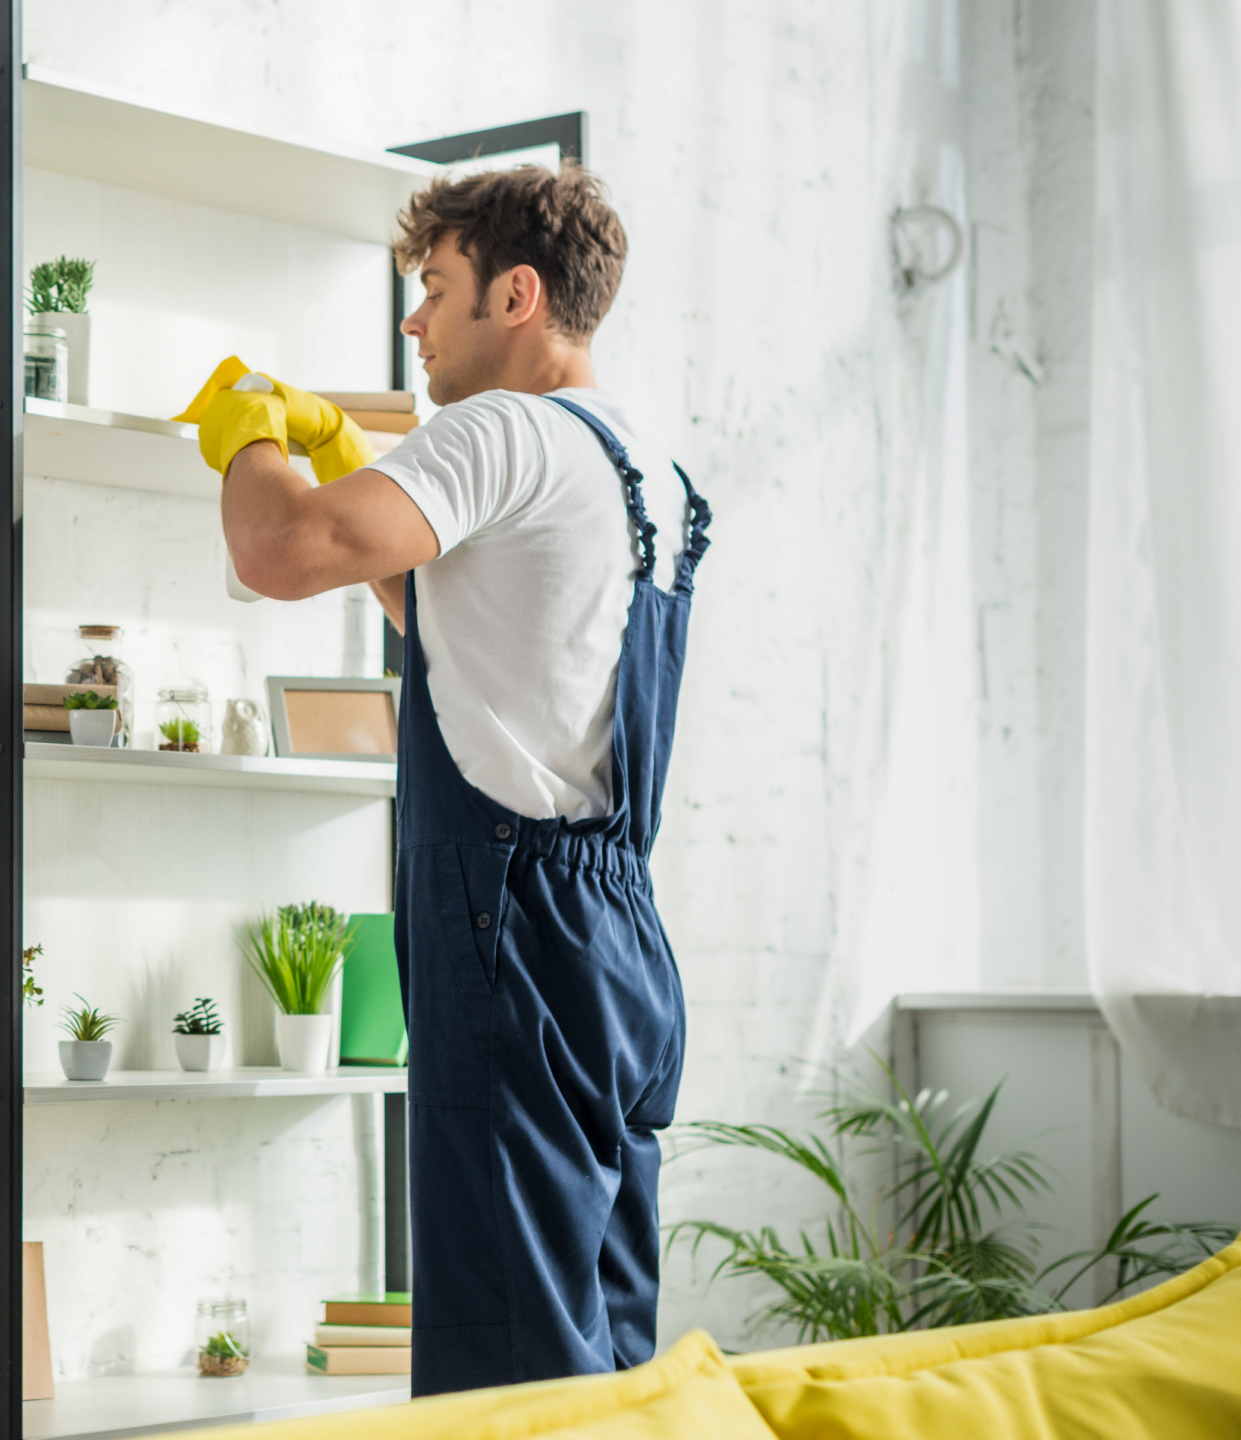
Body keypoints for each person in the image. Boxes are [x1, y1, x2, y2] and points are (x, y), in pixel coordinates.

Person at [195, 163, 709, 1393]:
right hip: (616, 940)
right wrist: (343, 452)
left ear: (516, 294)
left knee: (508, 1367)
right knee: (602, 1354)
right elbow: (465, 632)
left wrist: (251, 436)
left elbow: (280, 550)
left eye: (434, 291)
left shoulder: (498, 431)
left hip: (511, 927)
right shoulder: (648, 470)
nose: (413, 324)